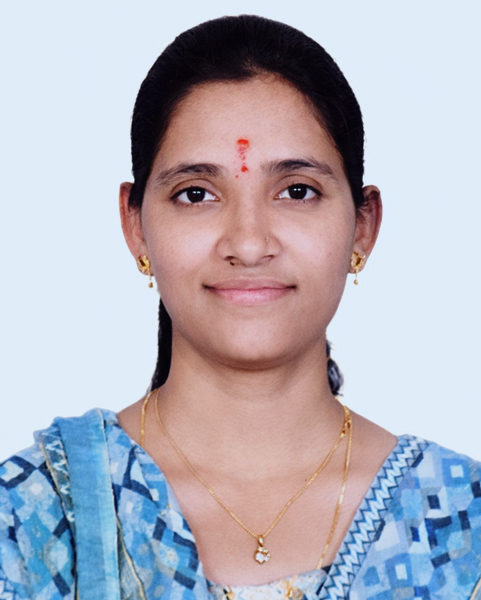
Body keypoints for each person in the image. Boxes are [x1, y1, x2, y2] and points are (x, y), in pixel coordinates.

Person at [1, 14, 480, 600]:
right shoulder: (32, 518)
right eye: (196, 194)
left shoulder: (462, 528)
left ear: (363, 225)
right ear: (136, 226)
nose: (249, 244)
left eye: (297, 191)